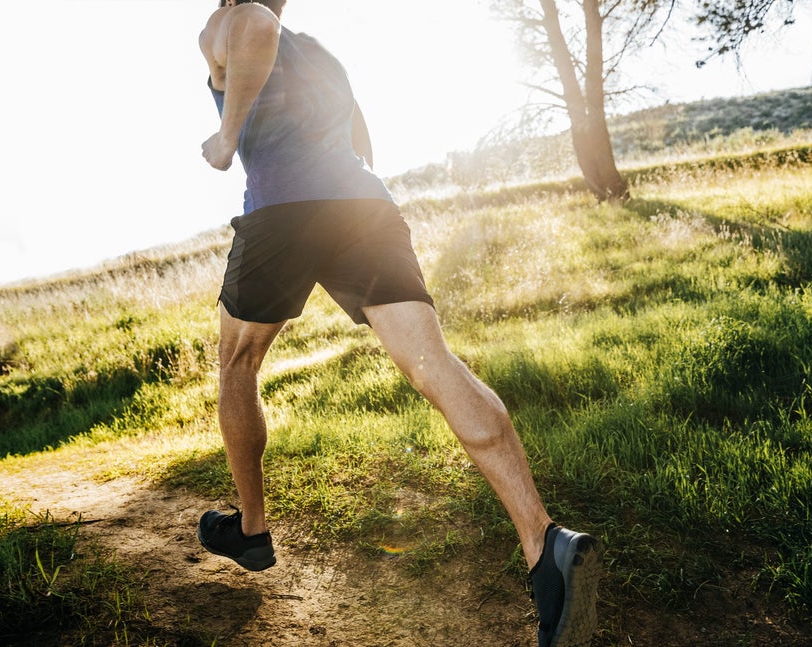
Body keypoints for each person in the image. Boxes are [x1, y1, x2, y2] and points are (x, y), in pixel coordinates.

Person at [194, 1, 603, 644]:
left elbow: (253, 27)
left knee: (237, 361)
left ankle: (250, 528)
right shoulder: (324, 55)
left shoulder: (232, 19)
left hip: (282, 211)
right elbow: (363, 143)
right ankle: (543, 543)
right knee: (433, 365)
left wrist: (227, 137)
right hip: (364, 207)